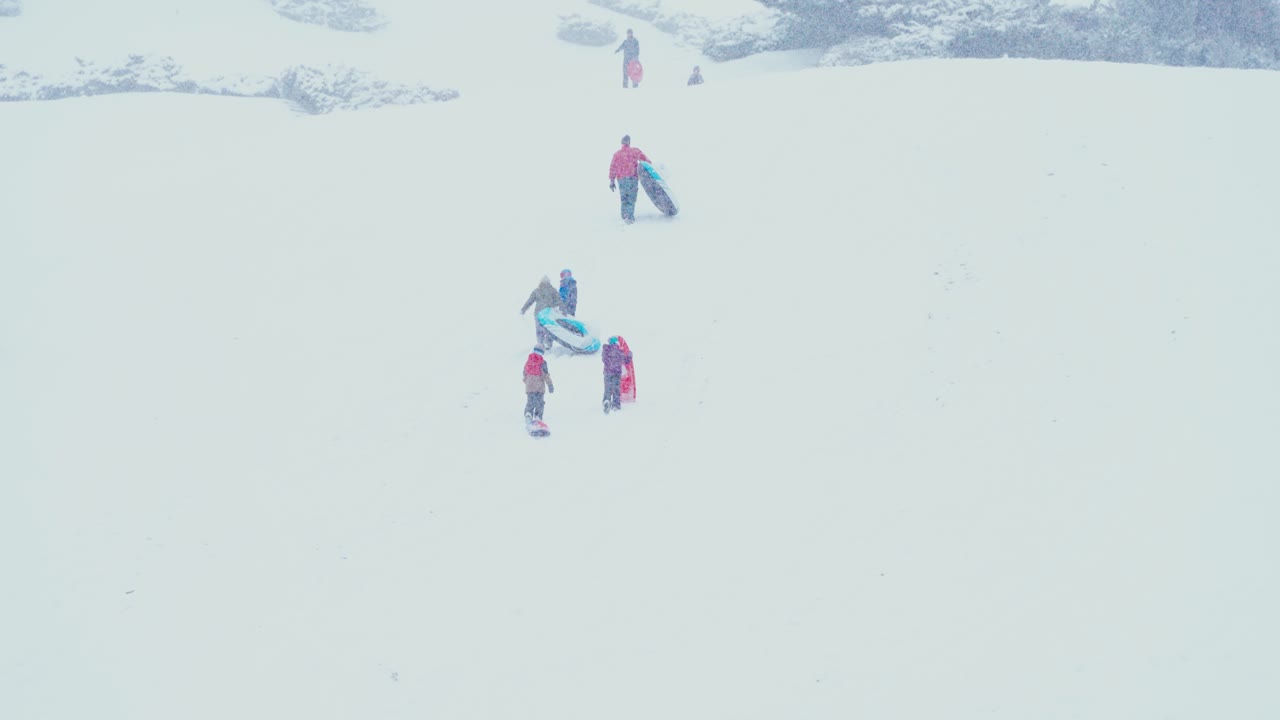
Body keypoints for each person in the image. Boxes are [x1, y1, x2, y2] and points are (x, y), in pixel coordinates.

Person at [608, 135, 650, 225]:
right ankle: (629, 218)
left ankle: (624, 216)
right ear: (629, 142)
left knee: (624, 198)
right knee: (631, 198)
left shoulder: (617, 154)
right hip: (632, 178)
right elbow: (646, 161)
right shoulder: (635, 151)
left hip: (621, 179)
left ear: (621, 143)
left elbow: (613, 168)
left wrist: (612, 180)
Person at [521, 276, 566, 350]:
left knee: (539, 329)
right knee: (549, 328)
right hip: (548, 313)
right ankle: (548, 343)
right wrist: (563, 309)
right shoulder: (552, 290)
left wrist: (523, 309)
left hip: (538, 313)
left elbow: (529, 301)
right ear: (549, 282)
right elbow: (559, 300)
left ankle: (540, 343)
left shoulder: (537, 290)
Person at [601, 336, 633, 413]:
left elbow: (603, 360)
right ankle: (615, 405)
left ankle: (606, 400)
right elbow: (625, 361)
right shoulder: (619, 351)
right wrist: (629, 355)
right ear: (617, 343)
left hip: (607, 372)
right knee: (616, 389)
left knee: (607, 388)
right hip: (616, 373)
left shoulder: (606, 350)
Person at [523, 347, 554, 422]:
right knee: (540, 403)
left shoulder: (528, 361)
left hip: (530, 386)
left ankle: (528, 414)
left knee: (531, 401)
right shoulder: (543, 362)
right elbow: (546, 375)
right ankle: (538, 417)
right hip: (539, 387)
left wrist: (527, 382)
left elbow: (524, 374)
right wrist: (550, 384)